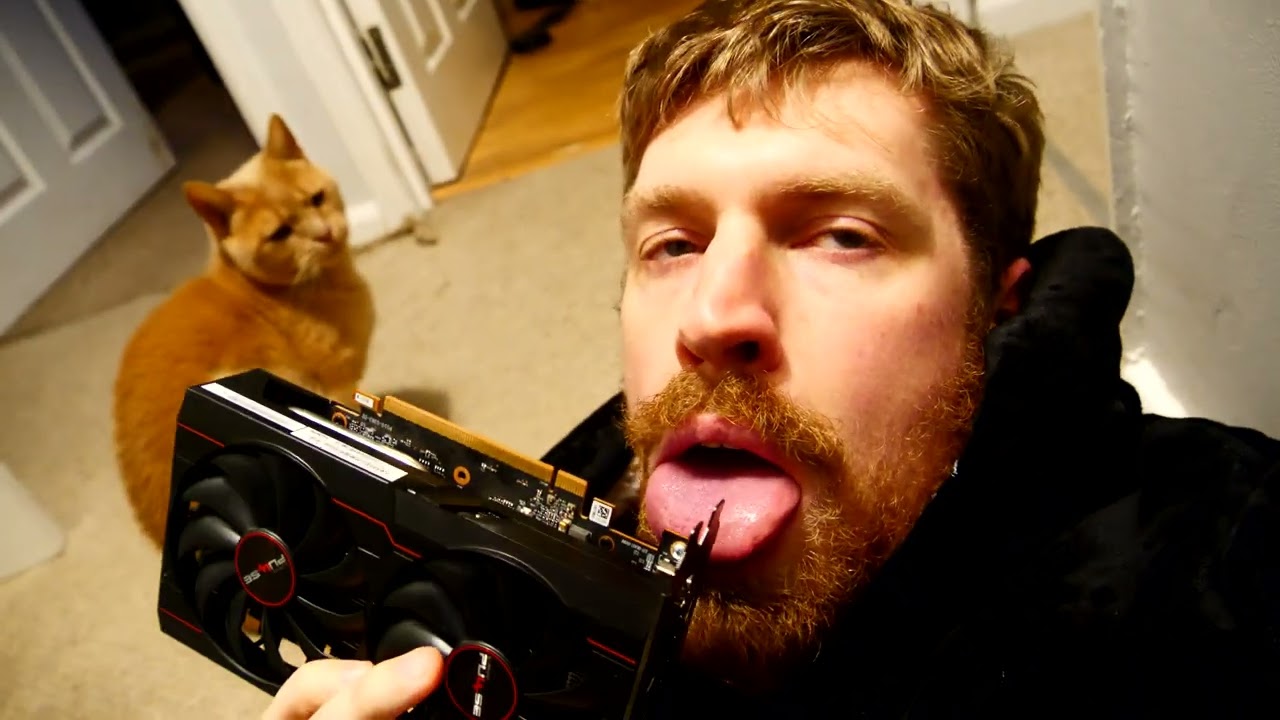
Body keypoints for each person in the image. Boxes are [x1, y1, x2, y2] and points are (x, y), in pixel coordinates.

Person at [262, 0, 1280, 717]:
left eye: (840, 235)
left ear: (995, 310)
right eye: (673, 244)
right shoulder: (502, 576)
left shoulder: (1222, 564)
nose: (711, 315)